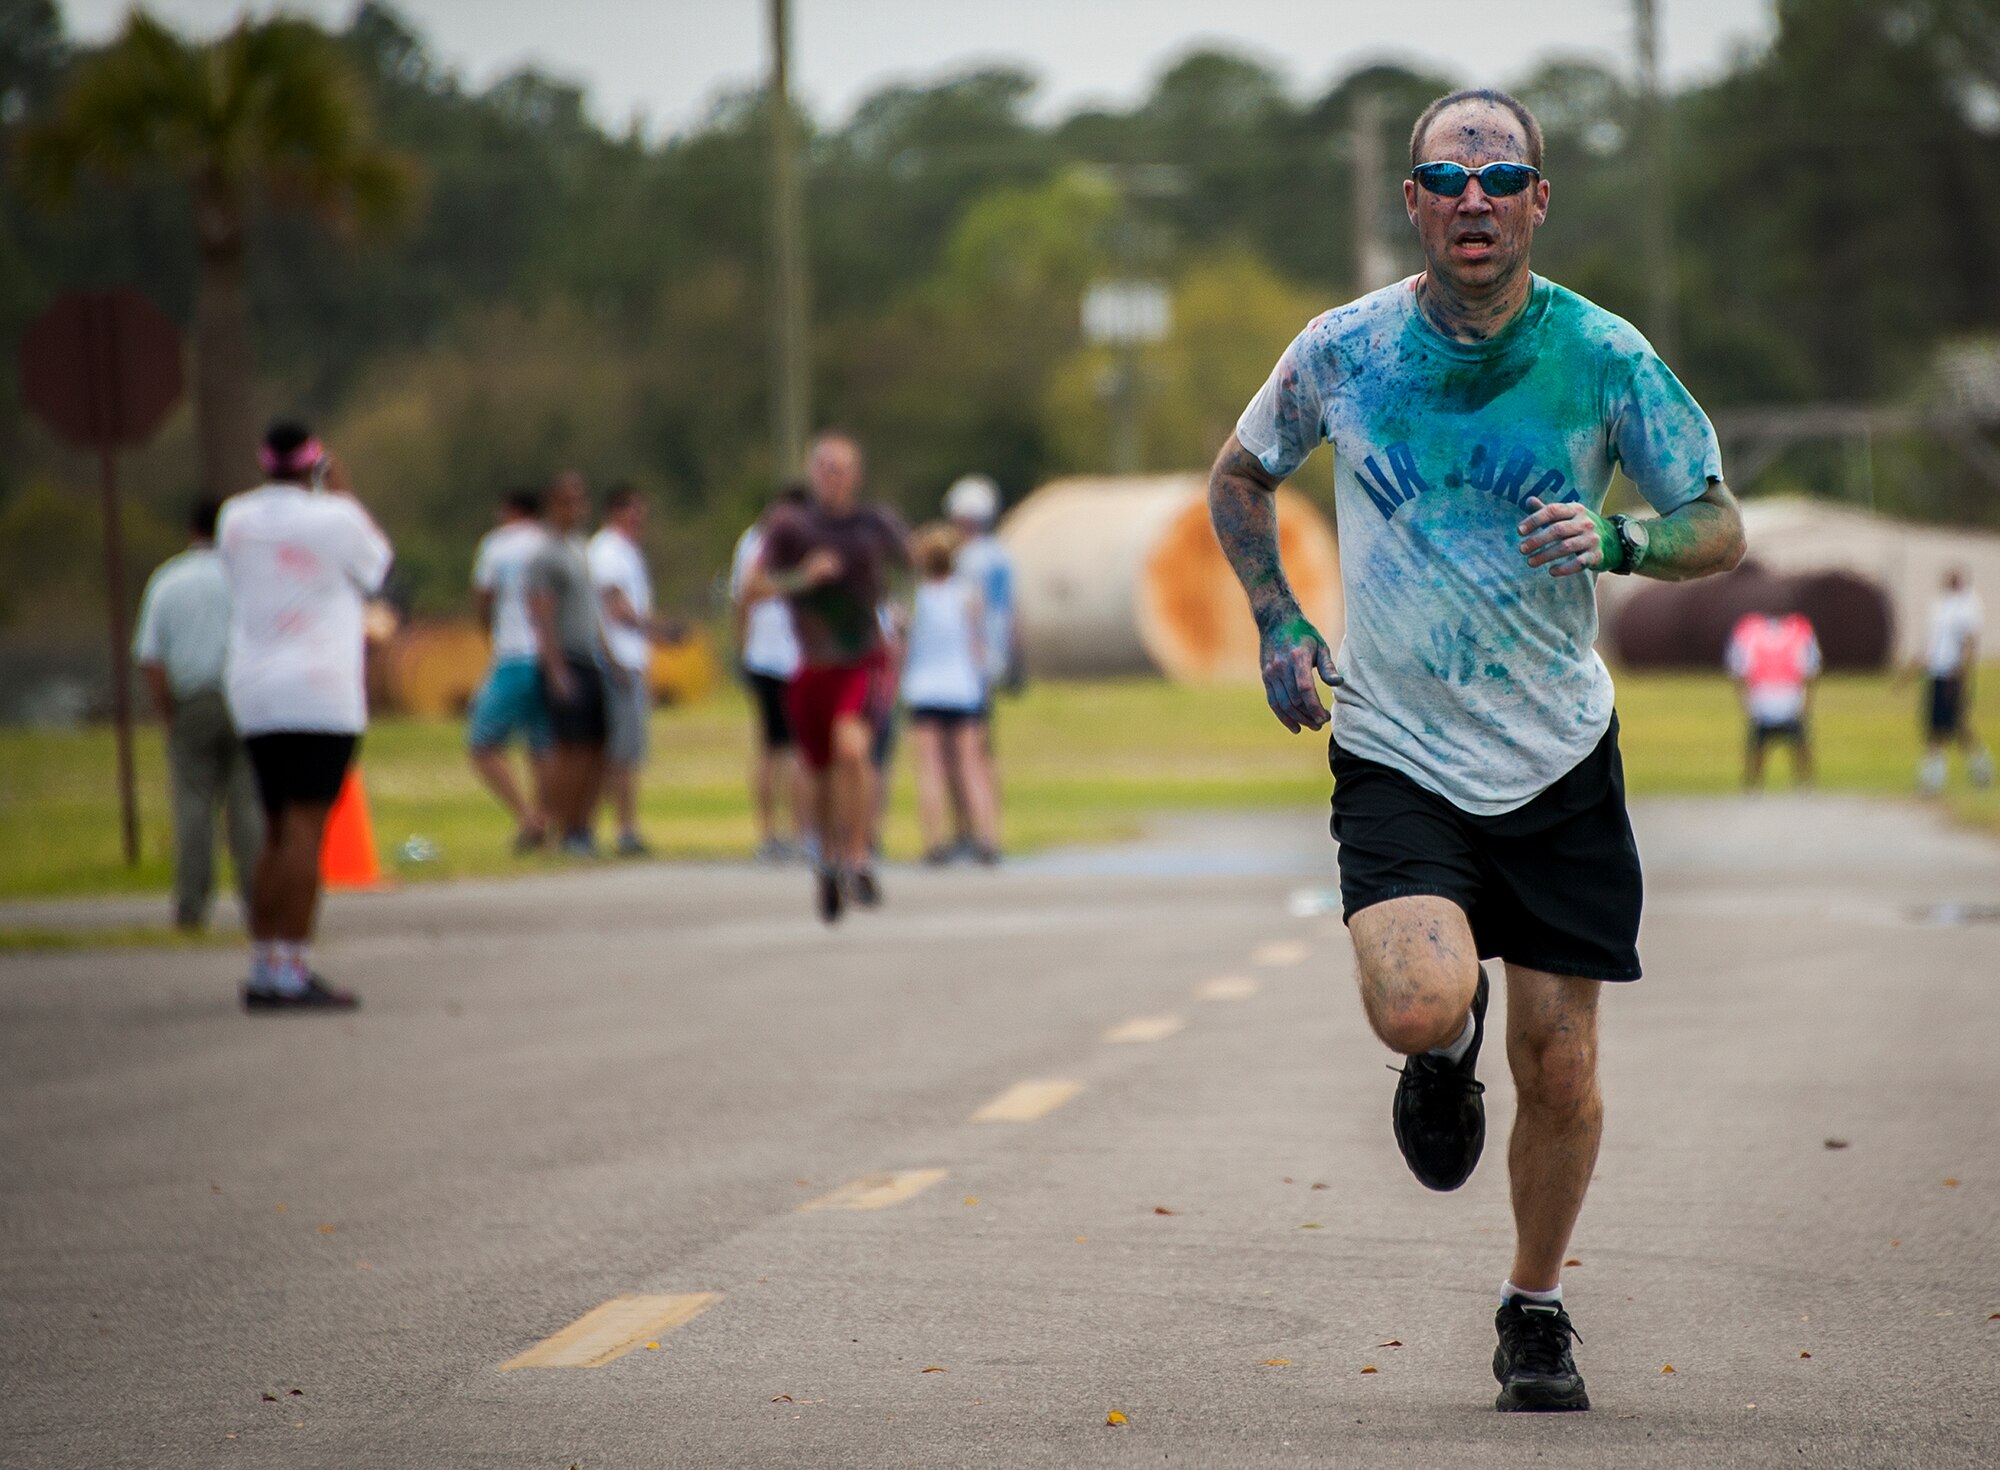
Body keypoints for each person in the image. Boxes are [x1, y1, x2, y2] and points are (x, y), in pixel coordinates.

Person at [1207, 88, 1745, 1413]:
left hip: (1556, 751)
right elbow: (1239, 474)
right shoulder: (1345, 350)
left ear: (1538, 202)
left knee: (1561, 1066)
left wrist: (1622, 540)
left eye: (1501, 176)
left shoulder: (1605, 356)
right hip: (1396, 742)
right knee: (1415, 1000)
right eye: (1447, 178)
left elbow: (1716, 520)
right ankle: (1441, 1053)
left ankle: (1535, 1303)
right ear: (1413, 202)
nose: (1474, 199)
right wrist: (1278, 621)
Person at [217, 421, 393, 1010]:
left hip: (255, 690)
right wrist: (340, 491)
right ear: (315, 462)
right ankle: (293, 966)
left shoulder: (234, 518)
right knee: (305, 830)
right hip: (320, 692)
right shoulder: (335, 518)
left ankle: (264, 962)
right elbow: (376, 569)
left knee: (272, 828)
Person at [751, 432, 910, 923]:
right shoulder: (790, 526)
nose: (833, 477)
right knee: (818, 771)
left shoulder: (874, 523)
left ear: (856, 475)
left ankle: (859, 855)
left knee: (853, 750)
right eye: (824, 467)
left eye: (841, 468)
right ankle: (827, 858)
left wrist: (903, 608)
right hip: (811, 664)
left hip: (862, 659)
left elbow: (913, 563)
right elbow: (754, 587)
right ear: (812, 472)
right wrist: (802, 577)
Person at [132, 495, 261, 931]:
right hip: (246, 699)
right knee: (248, 809)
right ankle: (258, 907)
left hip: (192, 701)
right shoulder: (247, 577)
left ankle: (191, 907)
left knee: (193, 808)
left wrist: (167, 710)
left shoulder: (167, 580)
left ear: (191, 530)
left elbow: (151, 657)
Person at [903, 523, 1000, 864]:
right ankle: (988, 837)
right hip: (962, 687)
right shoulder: (967, 595)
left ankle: (934, 842)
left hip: (924, 688)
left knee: (931, 769)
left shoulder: (916, 598)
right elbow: (978, 643)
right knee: (972, 766)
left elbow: (903, 643)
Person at [526, 472, 610, 857]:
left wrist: (608, 654)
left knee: (597, 746)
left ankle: (583, 826)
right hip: (567, 659)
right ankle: (560, 826)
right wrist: (555, 668)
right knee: (570, 750)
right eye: (568, 501)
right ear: (553, 505)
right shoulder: (546, 554)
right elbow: (541, 615)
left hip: (589, 656)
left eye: (581, 499)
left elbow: (591, 612)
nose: (577, 508)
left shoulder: (579, 548)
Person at [466, 488, 553, 852]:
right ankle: (546, 821)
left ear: (509, 510)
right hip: (550, 656)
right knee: (542, 744)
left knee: (482, 743)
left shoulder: (497, 545)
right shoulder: (549, 542)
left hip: (514, 653)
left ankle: (528, 817)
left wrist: (486, 632)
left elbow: (484, 596)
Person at [730, 484, 809, 862]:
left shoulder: (754, 538)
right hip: (784, 655)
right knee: (787, 748)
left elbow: (740, 601)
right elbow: (748, 592)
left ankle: (784, 832)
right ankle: (784, 832)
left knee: (777, 747)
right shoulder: (786, 542)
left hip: (774, 653)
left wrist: (741, 647)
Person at [943, 473, 1019, 858]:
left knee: (968, 753)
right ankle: (981, 830)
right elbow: (1011, 613)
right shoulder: (997, 556)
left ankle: (978, 832)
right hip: (984, 661)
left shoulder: (966, 558)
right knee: (975, 751)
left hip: (971, 663)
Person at [588, 484, 659, 857]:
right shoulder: (608, 550)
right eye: (632, 512)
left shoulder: (626, 551)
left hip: (631, 657)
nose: (638, 521)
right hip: (619, 659)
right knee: (623, 752)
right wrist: (656, 629)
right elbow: (612, 609)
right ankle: (624, 829)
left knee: (626, 750)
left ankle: (603, 825)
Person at [1918, 568, 1993, 794]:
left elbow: (1969, 642)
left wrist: (1962, 674)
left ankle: (1981, 766)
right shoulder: (1941, 605)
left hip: (1952, 672)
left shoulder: (1967, 606)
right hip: (1936, 670)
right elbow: (1933, 642)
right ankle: (1933, 776)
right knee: (1934, 725)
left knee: (1957, 725)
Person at [1726, 610, 1821, 788]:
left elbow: (1811, 670)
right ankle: (1753, 786)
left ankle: (1805, 785)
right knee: (1757, 749)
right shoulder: (1749, 630)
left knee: (1800, 747)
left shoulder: (1800, 629)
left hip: (1787, 702)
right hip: (1764, 703)